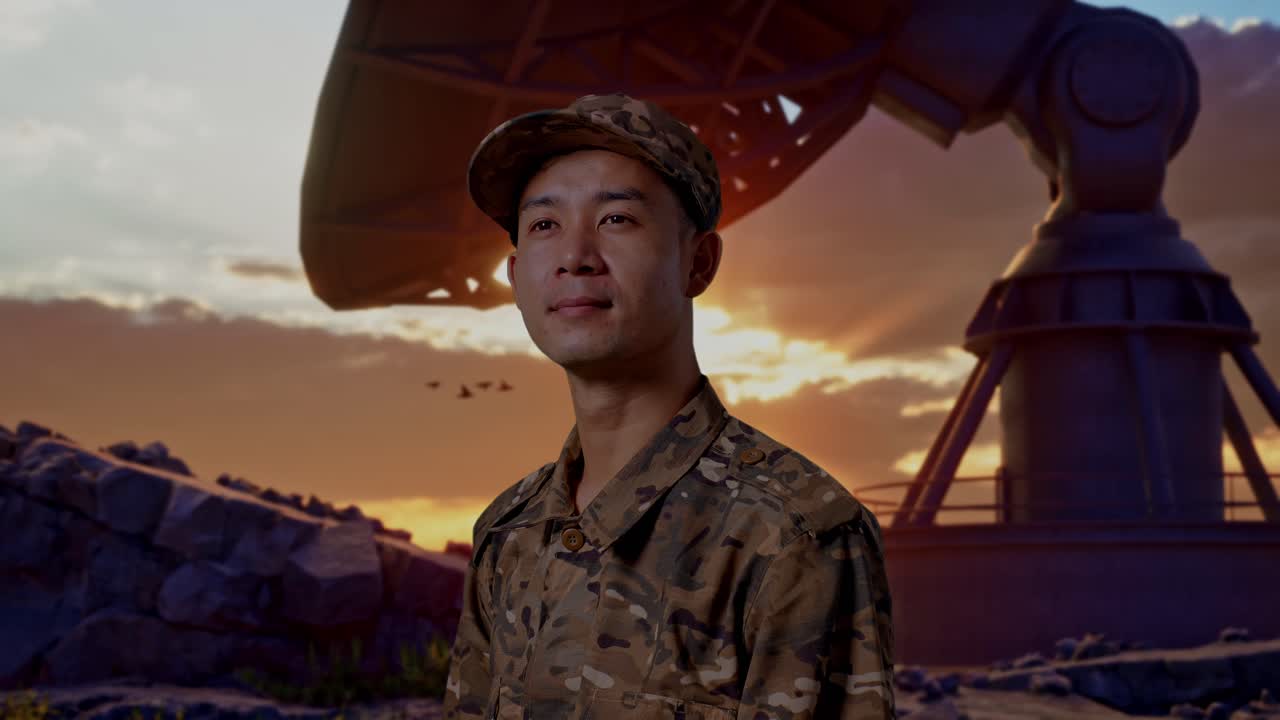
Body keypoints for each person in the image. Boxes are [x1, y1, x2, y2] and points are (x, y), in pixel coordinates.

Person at [443, 93, 895, 719]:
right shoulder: (509, 534)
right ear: (516, 275)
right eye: (545, 224)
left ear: (699, 262)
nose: (575, 257)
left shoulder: (792, 537)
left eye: (617, 219)